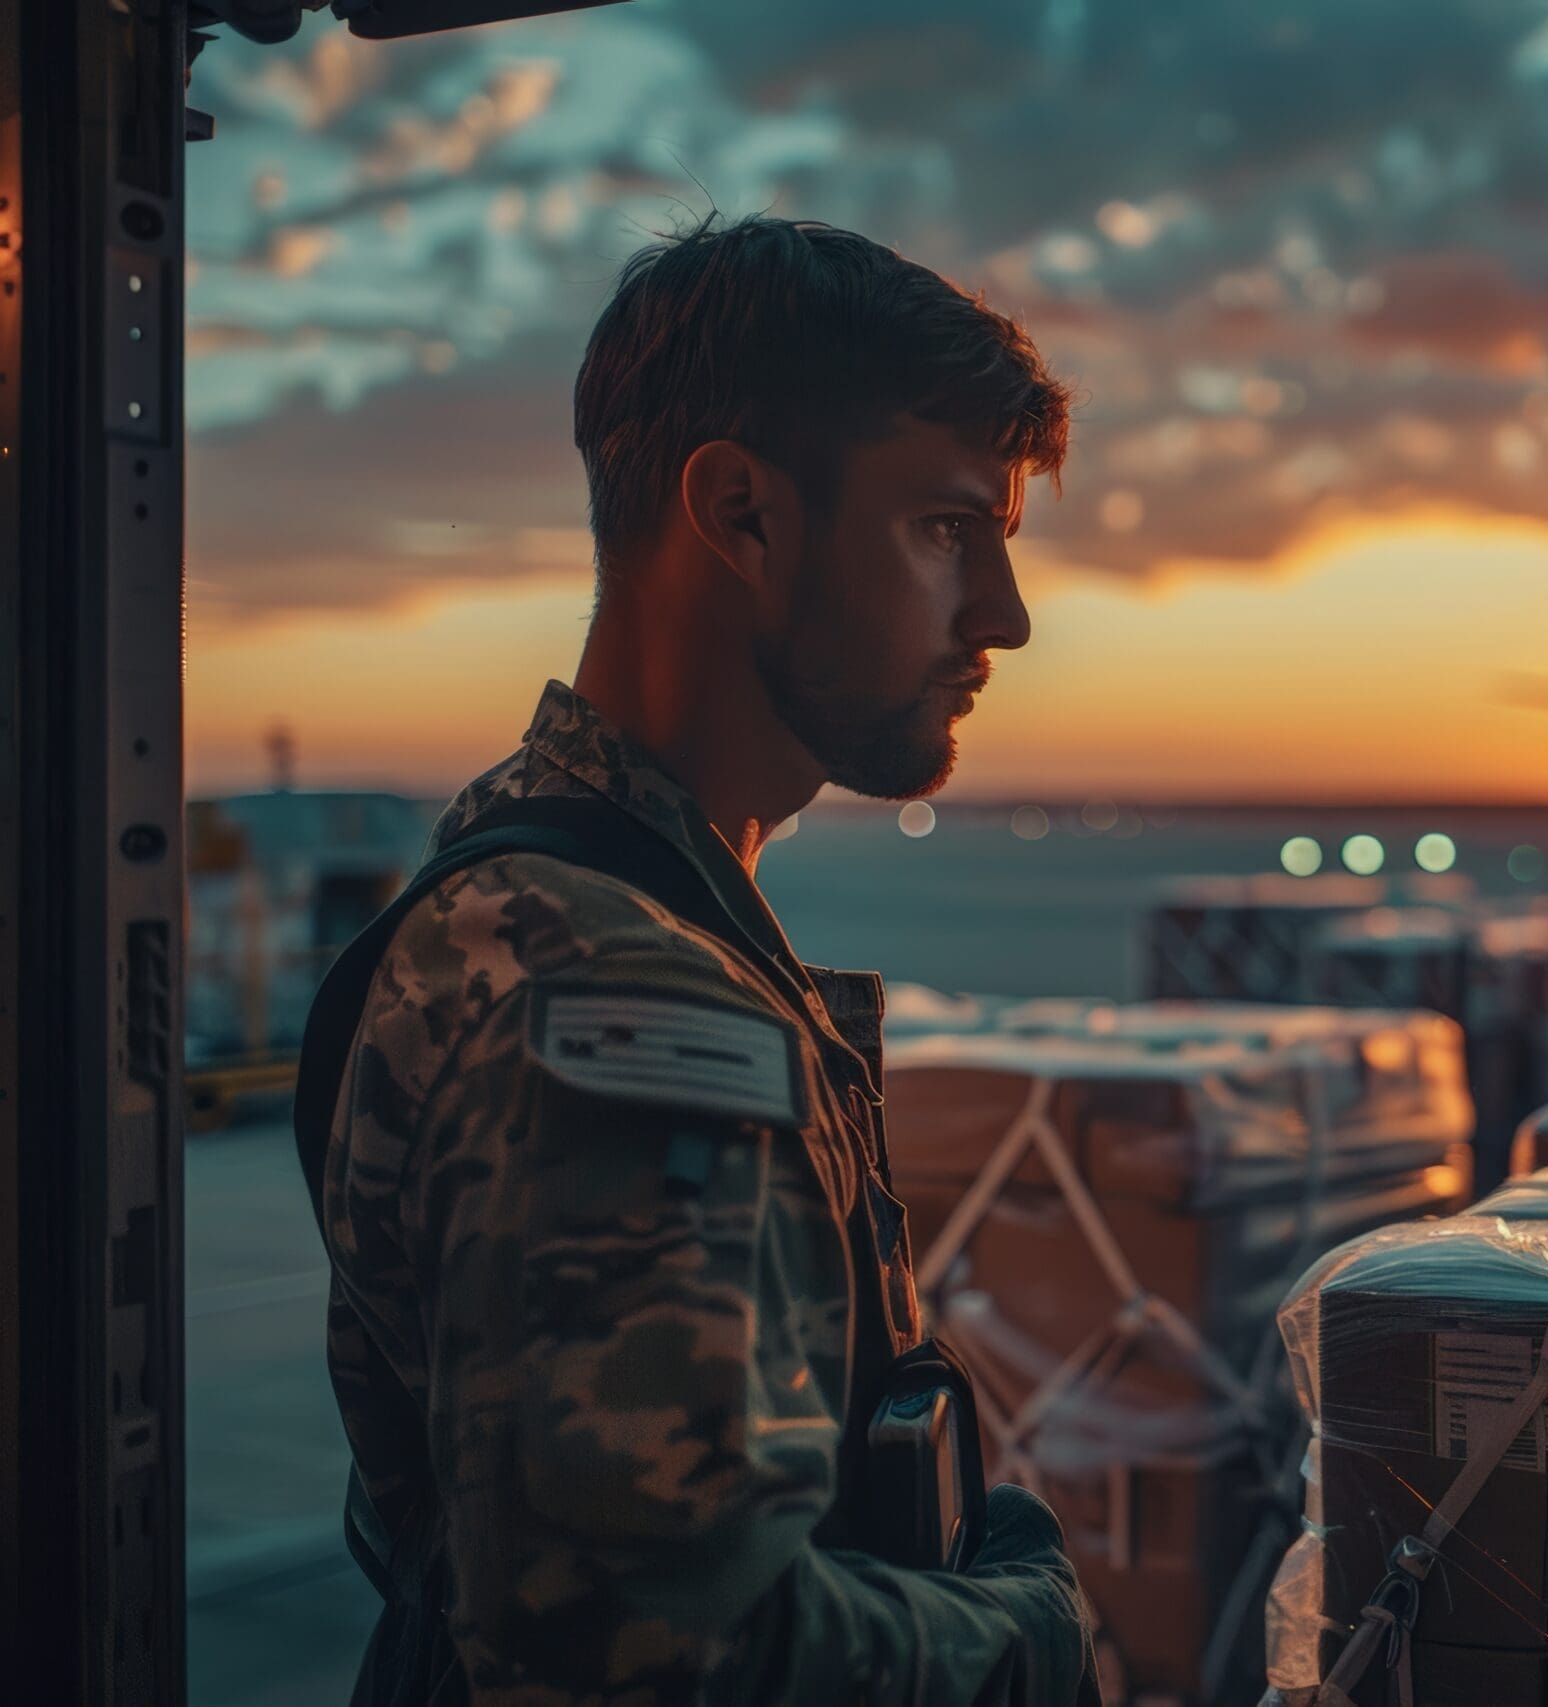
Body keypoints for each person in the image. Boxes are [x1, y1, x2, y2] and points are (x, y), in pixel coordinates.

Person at [302, 216, 1095, 1703]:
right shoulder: (607, 985)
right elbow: (654, 1660)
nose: (1005, 615)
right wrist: (1027, 1636)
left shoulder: (574, 885)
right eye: (944, 529)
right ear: (740, 513)